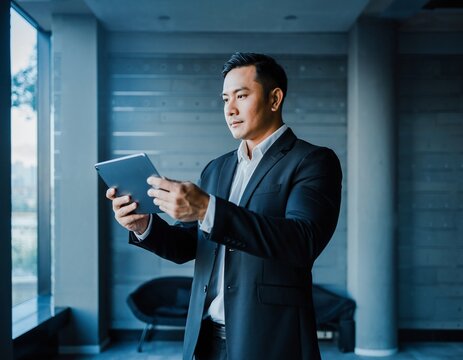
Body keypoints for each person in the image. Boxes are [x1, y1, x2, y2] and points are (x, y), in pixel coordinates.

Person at [106, 52, 342, 360]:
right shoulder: (216, 169)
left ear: (274, 99)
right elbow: (191, 245)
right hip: (204, 339)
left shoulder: (313, 160)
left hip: (271, 340)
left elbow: (302, 241)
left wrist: (207, 209)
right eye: (224, 99)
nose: (230, 109)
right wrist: (143, 225)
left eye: (241, 96)